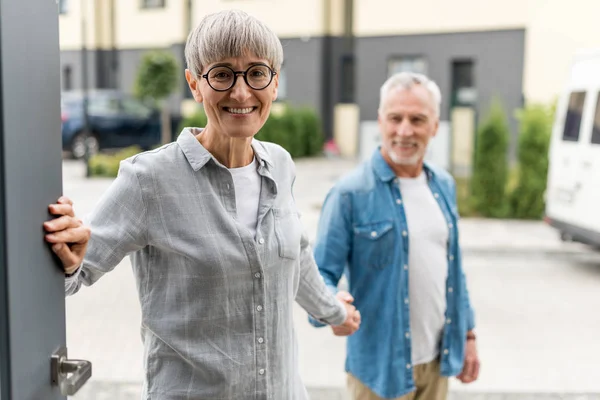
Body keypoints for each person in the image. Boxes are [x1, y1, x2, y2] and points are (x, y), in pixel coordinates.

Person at [43, 9, 360, 400]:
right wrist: (71, 258)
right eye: (222, 74)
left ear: (275, 83)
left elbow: (295, 252)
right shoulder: (148, 180)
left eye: (257, 73)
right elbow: (75, 274)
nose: (241, 93)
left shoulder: (281, 164)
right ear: (195, 84)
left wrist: (333, 311)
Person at [310, 72, 480, 400]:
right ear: (380, 121)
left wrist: (468, 336)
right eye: (395, 118)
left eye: (417, 119)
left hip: (436, 364)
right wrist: (332, 306)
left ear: (435, 126)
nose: (404, 130)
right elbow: (319, 275)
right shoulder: (349, 193)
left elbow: (454, 270)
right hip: (378, 372)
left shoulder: (444, 186)